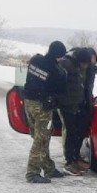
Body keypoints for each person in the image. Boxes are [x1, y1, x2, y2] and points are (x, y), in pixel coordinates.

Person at [23, 41, 67, 183]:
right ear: (59, 56)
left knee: (41, 137)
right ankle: (32, 172)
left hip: (28, 103)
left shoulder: (35, 60)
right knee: (41, 139)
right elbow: (60, 92)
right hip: (43, 107)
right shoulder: (57, 71)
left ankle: (48, 168)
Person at [56, 47, 93, 175]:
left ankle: (75, 158)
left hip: (78, 105)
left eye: (88, 64)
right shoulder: (66, 65)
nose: (85, 66)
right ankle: (69, 162)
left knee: (77, 133)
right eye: (84, 63)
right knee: (71, 133)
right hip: (67, 105)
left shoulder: (84, 69)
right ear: (79, 61)